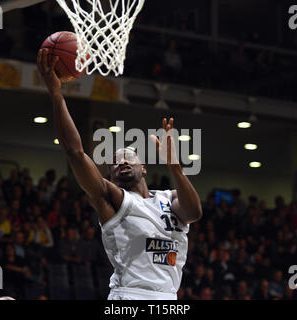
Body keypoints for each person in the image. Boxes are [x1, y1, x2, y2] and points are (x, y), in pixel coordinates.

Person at [37, 49, 202, 300]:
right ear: (111, 176)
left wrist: (175, 166)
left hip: (168, 298)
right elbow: (75, 152)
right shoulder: (112, 199)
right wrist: (56, 94)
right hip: (130, 296)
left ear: (144, 167)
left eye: (129, 156)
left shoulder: (170, 198)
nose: (122, 161)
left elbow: (194, 213)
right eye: (114, 161)